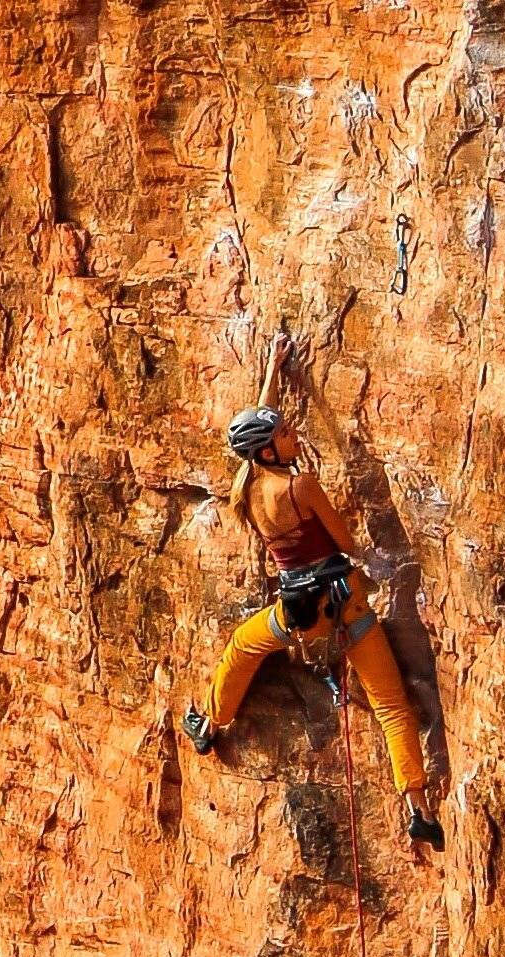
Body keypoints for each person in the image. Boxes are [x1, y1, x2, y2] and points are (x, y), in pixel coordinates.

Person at [183, 334, 445, 854]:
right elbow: (345, 543)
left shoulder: (247, 490)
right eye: (284, 432)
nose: (293, 432)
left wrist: (273, 369)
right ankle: (417, 808)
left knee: (242, 646)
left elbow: (257, 432)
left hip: (297, 613)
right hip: (346, 602)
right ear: (268, 448)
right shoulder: (300, 489)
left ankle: (211, 722)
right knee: (391, 703)